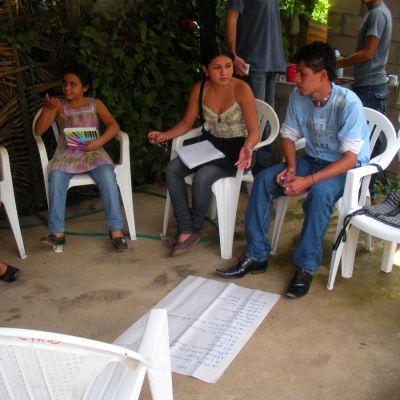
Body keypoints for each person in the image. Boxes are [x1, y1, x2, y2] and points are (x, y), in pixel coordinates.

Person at [216, 42, 370, 299]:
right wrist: (291, 167)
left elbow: (350, 158)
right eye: (296, 72)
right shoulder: (300, 96)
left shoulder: (348, 104)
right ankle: (256, 254)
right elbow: (288, 136)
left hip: (345, 168)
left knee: (319, 193)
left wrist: (308, 180)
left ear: (322, 76)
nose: (296, 79)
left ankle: (305, 267)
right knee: (264, 179)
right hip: (312, 159)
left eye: (302, 74)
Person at [148, 43, 260, 257]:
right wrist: (164, 135)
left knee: (203, 176)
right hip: (209, 147)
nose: (224, 72)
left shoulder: (241, 89)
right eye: (217, 67)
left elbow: (254, 131)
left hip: (238, 153)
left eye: (228, 66)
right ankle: (186, 226)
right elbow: (186, 122)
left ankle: (193, 229)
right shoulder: (200, 88)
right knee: (172, 169)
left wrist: (248, 147)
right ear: (205, 69)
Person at [34, 64, 128, 251]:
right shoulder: (58, 106)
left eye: (73, 84)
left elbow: (113, 126)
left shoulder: (96, 104)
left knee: (108, 177)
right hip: (66, 155)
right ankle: (57, 233)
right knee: (56, 178)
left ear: (85, 87)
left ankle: (116, 230)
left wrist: (98, 142)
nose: (66, 88)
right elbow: (38, 131)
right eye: (65, 84)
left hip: (93, 153)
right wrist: (47, 109)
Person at [336, 0, 392, 201]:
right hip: (367, 84)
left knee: (366, 144)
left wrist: (340, 62)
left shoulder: (377, 15)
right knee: (365, 141)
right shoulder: (377, 12)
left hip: (370, 86)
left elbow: (368, 53)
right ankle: (363, 190)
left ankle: (365, 192)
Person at [225, 0, 286, 172]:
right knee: (254, 121)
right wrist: (233, 54)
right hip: (252, 63)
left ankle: (262, 172)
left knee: (268, 123)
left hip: (272, 64)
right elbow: (231, 18)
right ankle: (246, 169)